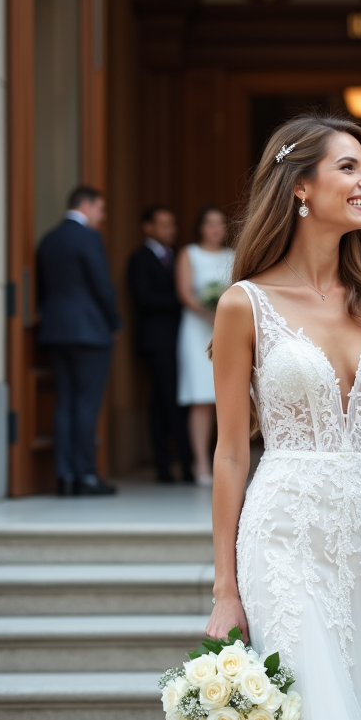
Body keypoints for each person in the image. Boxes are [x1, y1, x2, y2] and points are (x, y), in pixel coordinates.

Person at [204, 114, 361, 720]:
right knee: (316, 716)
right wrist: (225, 589)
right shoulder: (243, 305)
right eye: (349, 167)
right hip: (284, 535)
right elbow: (230, 454)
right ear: (300, 188)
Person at [35, 185, 122, 497]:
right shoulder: (88, 237)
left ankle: (65, 476)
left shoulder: (48, 239)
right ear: (85, 206)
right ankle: (85, 475)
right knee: (86, 404)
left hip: (56, 332)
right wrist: (114, 322)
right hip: (90, 332)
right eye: (100, 209)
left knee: (65, 403)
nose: (102, 216)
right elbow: (102, 286)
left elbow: (43, 290)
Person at [127, 205, 192, 484]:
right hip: (157, 341)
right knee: (166, 401)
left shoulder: (177, 257)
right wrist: (183, 298)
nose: (170, 230)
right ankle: (175, 465)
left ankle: (175, 464)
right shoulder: (139, 259)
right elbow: (144, 298)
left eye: (172, 224)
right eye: (164, 224)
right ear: (148, 227)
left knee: (168, 401)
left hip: (181, 339)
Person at [175, 205, 235, 485]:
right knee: (201, 398)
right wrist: (207, 313)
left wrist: (223, 316)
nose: (216, 228)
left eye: (220, 223)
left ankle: (228, 463)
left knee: (227, 397)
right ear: (200, 227)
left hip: (226, 331)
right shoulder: (189, 254)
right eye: (210, 223)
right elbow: (184, 291)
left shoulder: (232, 256)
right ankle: (201, 464)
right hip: (196, 330)